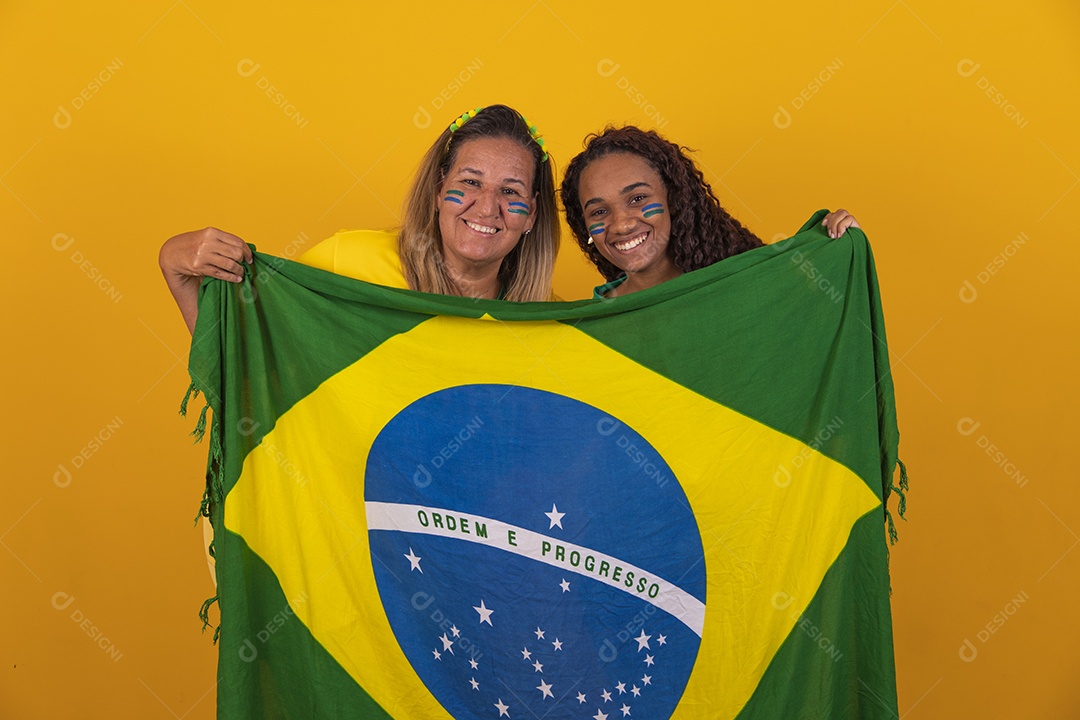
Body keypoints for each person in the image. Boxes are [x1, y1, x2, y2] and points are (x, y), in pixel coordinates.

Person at [158, 104, 559, 334]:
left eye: (510, 192)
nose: (487, 208)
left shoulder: (549, 324)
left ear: (532, 216)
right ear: (439, 191)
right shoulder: (346, 262)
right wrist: (177, 267)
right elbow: (248, 369)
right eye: (470, 182)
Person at [559, 125, 859, 298]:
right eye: (599, 212)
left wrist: (839, 246)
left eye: (637, 198)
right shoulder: (594, 321)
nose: (621, 224)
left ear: (673, 199)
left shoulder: (737, 288)